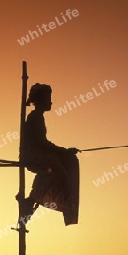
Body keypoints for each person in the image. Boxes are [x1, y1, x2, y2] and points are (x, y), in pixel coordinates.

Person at [22, 83, 80, 225]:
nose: (51, 102)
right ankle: (33, 200)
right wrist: (64, 151)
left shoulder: (37, 116)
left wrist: (63, 152)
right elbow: (42, 143)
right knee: (58, 171)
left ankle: (32, 200)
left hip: (37, 154)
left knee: (56, 169)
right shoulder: (35, 117)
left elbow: (43, 143)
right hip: (33, 155)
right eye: (48, 98)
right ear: (41, 100)